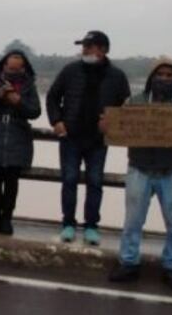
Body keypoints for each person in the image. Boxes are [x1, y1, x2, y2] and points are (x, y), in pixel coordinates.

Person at [106, 58, 172, 292]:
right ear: (152, 78)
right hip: (140, 169)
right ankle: (128, 263)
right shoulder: (133, 102)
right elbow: (117, 130)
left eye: (169, 75)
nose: (164, 79)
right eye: (160, 74)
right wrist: (107, 127)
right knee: (132, 221)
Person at [46, 30, 130, 245]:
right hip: (70, 137)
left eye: (88, 46)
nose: (84, 50)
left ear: (103, 50)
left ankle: (92, 225)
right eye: (83, 46)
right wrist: (56, 121)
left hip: (98, 141)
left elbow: (126, 108)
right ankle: (68, 224)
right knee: (69, 180)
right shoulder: (70, 70)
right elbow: (53, 97)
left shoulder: (117, 76)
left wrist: (112, 123)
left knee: (95, 182)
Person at [0, 50, 42, 235]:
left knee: (12, 181)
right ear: (3, 66)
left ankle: (7, 219)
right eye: (9, 67)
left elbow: (35, 112)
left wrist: (18, 101)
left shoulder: (29, 86)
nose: (12, 71)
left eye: (16, 68)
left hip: (18, 136)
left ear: (23, 68)